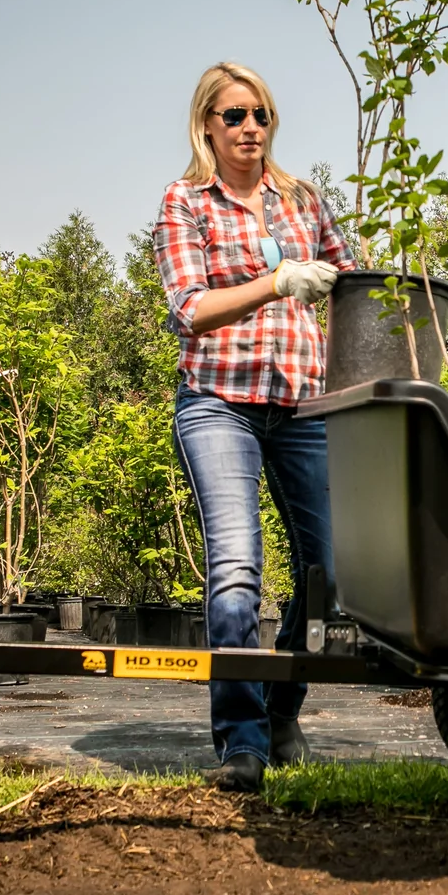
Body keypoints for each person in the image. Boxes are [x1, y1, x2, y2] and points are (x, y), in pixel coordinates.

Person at [154, 62, 354, 792]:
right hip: (219, 402)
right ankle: (240, 743)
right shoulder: (186, 202)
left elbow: (349, 287)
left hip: (302, 408)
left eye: (261, 115)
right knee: (238, 572)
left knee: (329, 571)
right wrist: (275, 282)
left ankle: (279, 713)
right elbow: (189, 308)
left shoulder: (302, 200)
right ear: (207, 123)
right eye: (234, 116)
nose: (250, 129)